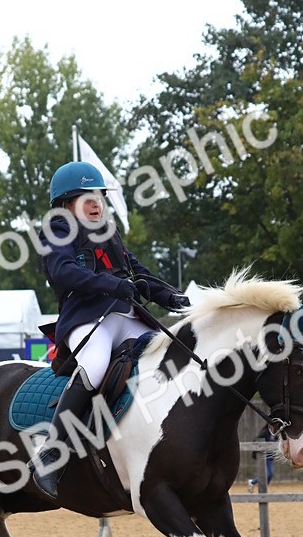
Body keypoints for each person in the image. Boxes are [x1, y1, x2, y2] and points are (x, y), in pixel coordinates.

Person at [28, 160, 188, 499]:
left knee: (164, 356)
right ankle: (51, 454)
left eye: (99, 195)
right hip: (86, 319)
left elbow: (138, 272)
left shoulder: (108, 232)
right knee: (97, 365)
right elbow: (64, 272)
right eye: (87, 196)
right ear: (66, 203)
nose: (96, 202)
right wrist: (112, 286)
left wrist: (170, 296)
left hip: (125, 317)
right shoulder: (56, 230)